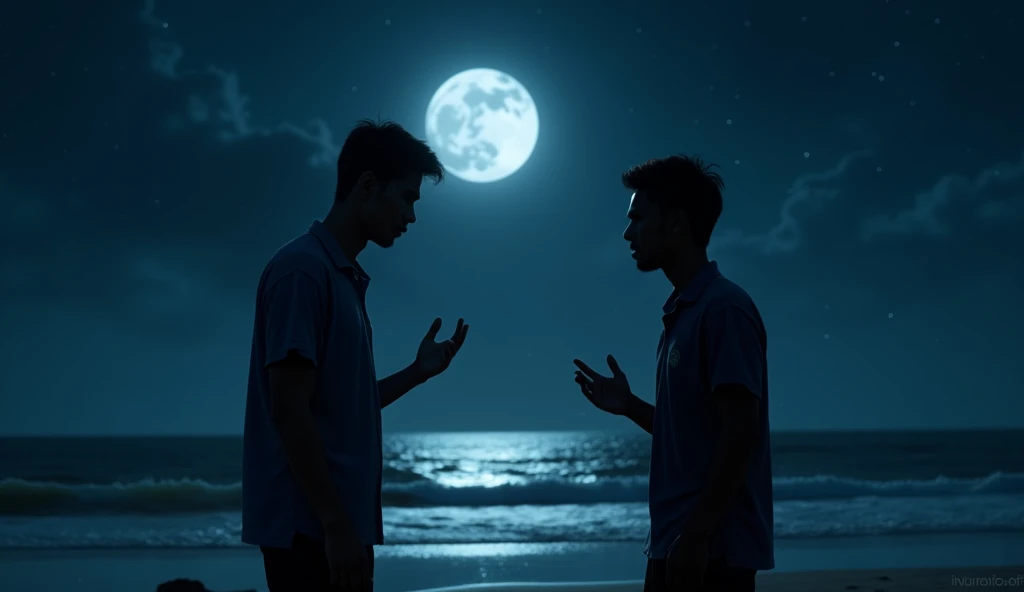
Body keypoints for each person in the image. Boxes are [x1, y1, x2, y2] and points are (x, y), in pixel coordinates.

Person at [241, 119, 470, 592]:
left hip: (336, 527)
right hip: (309, 532)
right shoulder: (303, 272)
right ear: (367, 185)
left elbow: (340, 407)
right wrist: (335, 525)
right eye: (407, 197)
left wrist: (415, 374)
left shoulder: (343, 278)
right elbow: (288, 410)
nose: (411, 217)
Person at [572, 155, 773, 591]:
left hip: (710, 553)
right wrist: (630, 408)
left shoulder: (724, 309)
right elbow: (694, 432)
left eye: (638, 218)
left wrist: (698, 536)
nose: (628, 232)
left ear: (677, 222)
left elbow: (740, 432)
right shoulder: (681, 313)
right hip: (674, 544)